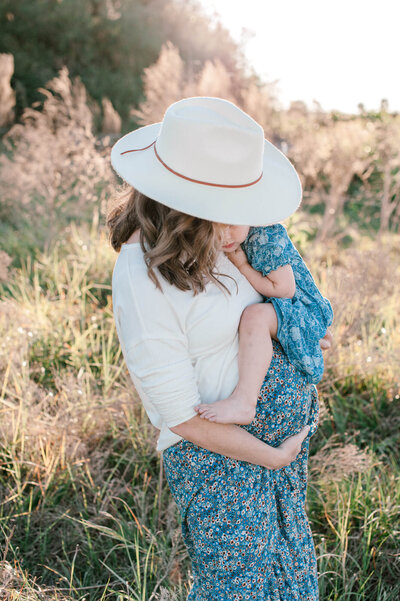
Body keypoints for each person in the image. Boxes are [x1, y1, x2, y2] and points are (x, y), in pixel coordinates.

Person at [108, 97, 332, 600]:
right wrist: (269, 457)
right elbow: (181, 418)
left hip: (278, 454)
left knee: (288, 585)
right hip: (223, 462)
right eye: (233, 205)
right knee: (238, 590)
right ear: (187, 205)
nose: (245, 217)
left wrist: (300, 332)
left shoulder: (234, 238)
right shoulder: (140, 276)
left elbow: (282, 302)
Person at [194, 222, 333, 425]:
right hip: (289, 308)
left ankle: (244, 401)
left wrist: (242, 266)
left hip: (303, 310)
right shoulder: (239, 237)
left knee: (255, 316)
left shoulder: (265, 238)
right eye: (214, 227)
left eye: (231, 225)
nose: (224, 236)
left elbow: (284, 290)